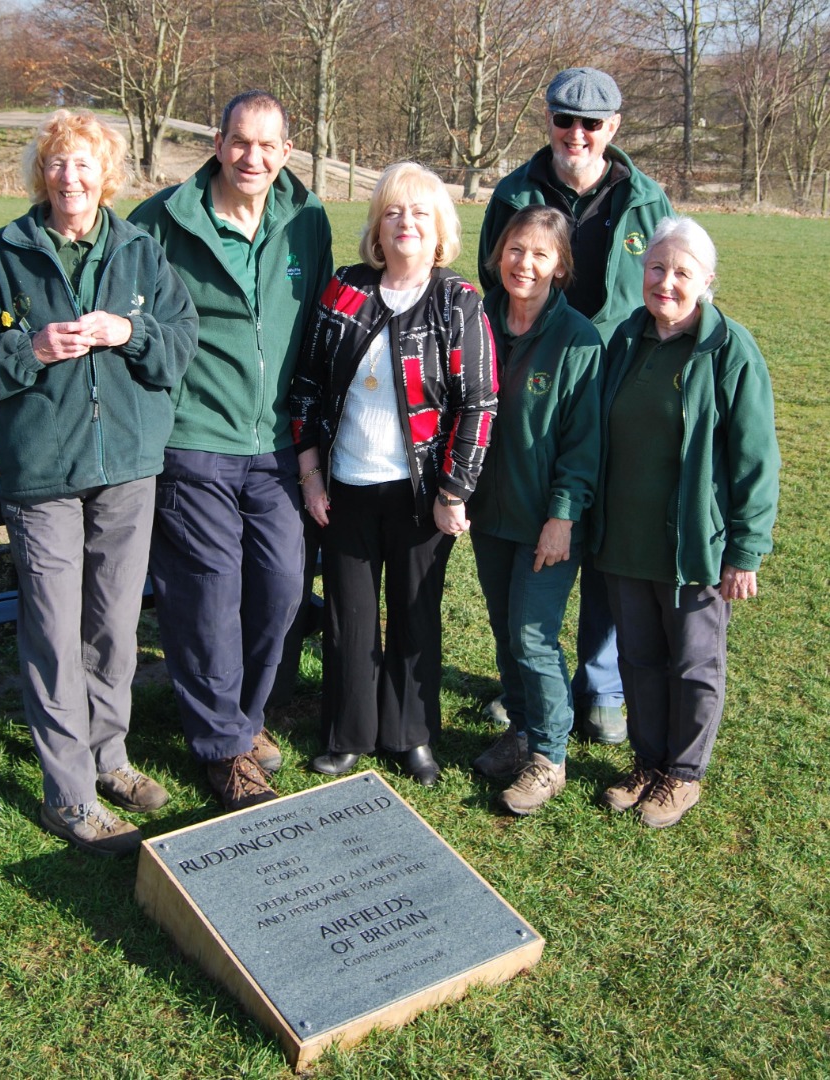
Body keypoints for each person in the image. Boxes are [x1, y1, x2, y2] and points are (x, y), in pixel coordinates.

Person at [0, 109, 199, 855]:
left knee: (114, 628)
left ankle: (109, 758)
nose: (70, 178)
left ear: (105, 174)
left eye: (84, 165)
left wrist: (131, 332)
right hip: (43, 476)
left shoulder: (139, 250)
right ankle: (70, 797)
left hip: (125, 469)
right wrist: (28, 347)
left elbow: (178, 345)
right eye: (57, 164)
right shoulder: (6, 253)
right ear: (41, 174)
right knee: (54, 634)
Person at [129, 90, 333, 812]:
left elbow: (315, 329)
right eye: (239, 142)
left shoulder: (305, 222)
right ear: (217, 143)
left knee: (280, 589)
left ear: (285, 151)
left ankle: (242, 721)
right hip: (195, 442)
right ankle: (222, 751)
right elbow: (131, 323)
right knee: (208, 598)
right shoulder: (161, 222)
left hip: (276, 447)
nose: (252, 157)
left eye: (267, 145)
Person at [478, 66, 674, 747]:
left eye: (592, 123)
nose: (577, 134)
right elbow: (493, 280)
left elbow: (669, 289)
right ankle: (521, 687)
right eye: (565, 120)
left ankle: (601, 684)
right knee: (540, 529)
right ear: (549, 121)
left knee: (606, 542)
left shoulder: (648, 201)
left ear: (612, 128)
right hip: (545, 382)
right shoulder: (514, 193)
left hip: (620, 386)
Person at [291, 162, 497, 786]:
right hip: (346, 488)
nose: (405, 223)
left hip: (421, 497)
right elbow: (306, 383)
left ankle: (411, 734)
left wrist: (454, 490)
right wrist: (309, 472)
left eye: (419, 214)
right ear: (377, 229)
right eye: (392, 213)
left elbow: (478, 403)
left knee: (415, 616)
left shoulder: (458, 301)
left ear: (440, 231)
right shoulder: (344, 290)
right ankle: (348, 733)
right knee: (349, 621)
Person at [595, 217, 780, 827]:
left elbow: (756, 457)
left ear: (706, 281)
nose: (666, 282)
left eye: (682, 272)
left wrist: (746, 550)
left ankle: (683, 773)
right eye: (656, 268)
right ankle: (648, 761)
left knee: (696, 662)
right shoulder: (627, 337)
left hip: (694, 546)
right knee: (639, 659)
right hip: (625, 538)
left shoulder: (730, 351)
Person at [468, 206, 603, 815]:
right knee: (504, 629)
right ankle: (522, 731)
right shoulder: (475, 317)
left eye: (540, 255)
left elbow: (584, 443)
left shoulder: (577, 338)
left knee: (532, 634)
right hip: (489, 512)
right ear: (498, 254)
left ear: (560, 267)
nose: (525, 264)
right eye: (516, 250)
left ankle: (549, 755)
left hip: (549, 520)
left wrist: (563, 516)